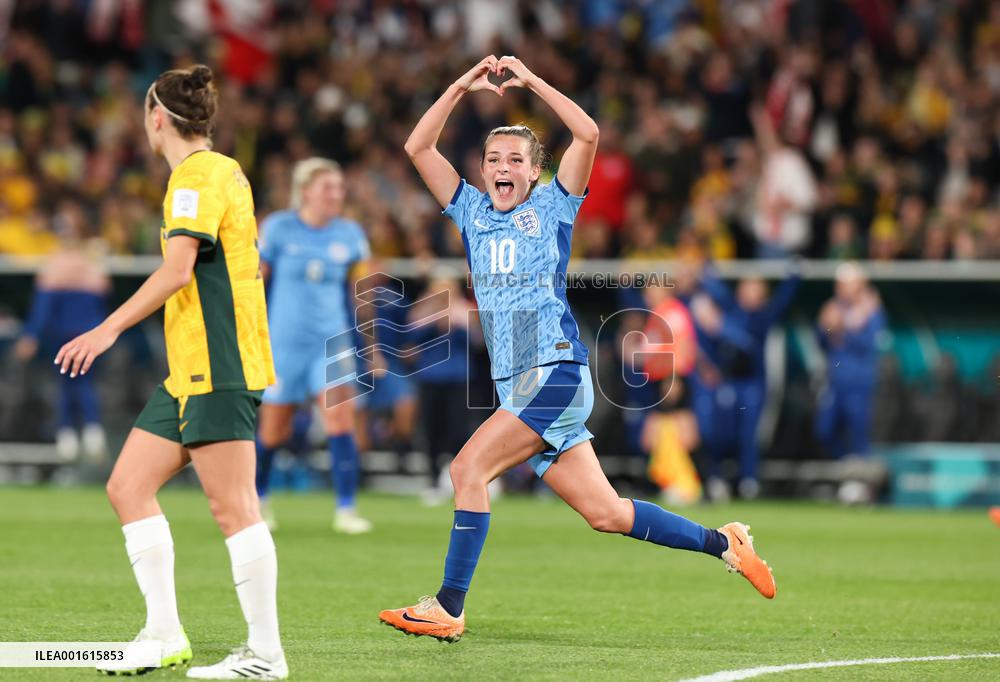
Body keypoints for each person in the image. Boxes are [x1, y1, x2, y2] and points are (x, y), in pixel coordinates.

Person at [379, 55, 776, 644]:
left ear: (537, 172)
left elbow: (587, 132)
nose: (502, 168)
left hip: (555, 370)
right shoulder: (470, 211)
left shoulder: (553, 205)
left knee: (466, 469)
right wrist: (463, 85)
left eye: (515, 159)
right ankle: (726, 543)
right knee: (607, 514)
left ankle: (448, 606)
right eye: (493, 160)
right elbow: (418, 146)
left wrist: (531, 81)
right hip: (521, 385)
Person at [54, 65, 287, 679]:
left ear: (157, 117)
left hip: (219, 365)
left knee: (234, 507)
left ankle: (266, 655)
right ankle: (162, 635)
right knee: (127, 487)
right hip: (191, 370)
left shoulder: (196, 177)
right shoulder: (215, 172)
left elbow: (178, 269)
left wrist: (106, 329)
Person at [254, 157, 373, 535]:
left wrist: (371, 344)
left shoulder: (350, 234)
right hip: (285, 341)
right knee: (274, 430)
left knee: (340, 420)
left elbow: (363, 293)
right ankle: (258, 500)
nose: (336, 194)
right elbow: (255, 282)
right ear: (305, 191)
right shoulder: (277, 228)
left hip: (332, 340)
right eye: (328, 187)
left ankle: (346, 508)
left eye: (339, 188)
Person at [696, 263, 801, 500]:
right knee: (720, 432)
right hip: (730, 382)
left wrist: (793, 275)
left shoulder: (763, 317)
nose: (750, 294)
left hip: (752, 383)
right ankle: (718, 478)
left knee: (749, 435)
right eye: (747, 288)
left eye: (756, 289)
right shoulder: (732, 311)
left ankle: (748, 480)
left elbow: (783, 300)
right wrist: (708, 275)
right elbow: (718, 294)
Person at [15, 208, 109, 462]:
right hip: (72, 332)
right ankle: (77, 433)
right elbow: (45, 303)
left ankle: (83, 432)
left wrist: (32, 335)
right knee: (72, 383)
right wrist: (32, 335)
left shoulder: (87, 256)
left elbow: (46, 303)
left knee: (76, 382)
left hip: (83, 332)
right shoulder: (82, 258)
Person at [815, 262, 886, 503]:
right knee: (826, 429)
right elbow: (822, 342)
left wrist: (843, 327)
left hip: (859, 382)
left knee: (859, 435)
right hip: (836, 381)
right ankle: (847, 473)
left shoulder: (871, 309)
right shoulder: (834, 308)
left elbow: (870, 344)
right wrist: (826, 326)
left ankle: (860, 485)